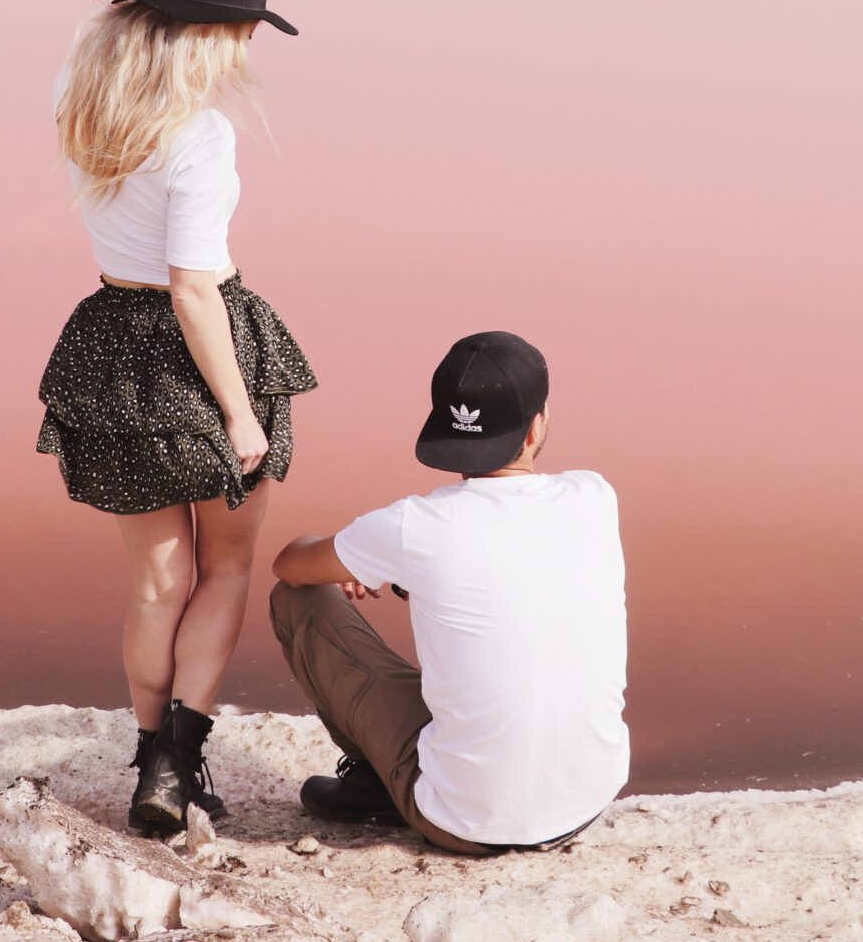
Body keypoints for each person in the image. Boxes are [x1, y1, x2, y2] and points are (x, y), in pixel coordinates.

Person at [35, 0, 318, 836]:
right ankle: (176, 765)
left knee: (158, 583)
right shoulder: (199, 135)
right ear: (214, 33)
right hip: (205, 350)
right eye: (243, 30)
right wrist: (239, 414)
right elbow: (195, 287)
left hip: (111, 348)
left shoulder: (79, 98)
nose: (247, 48)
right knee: (227, 565)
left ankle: (150, 757)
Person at [269, 331, 629, 855]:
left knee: (296, 601)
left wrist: (361, 562)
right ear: (536, 427)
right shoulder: (595, 496)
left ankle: (378, 783)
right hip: (587, 800)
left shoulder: (416, 525)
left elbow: (290, 567)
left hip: (466, 823)